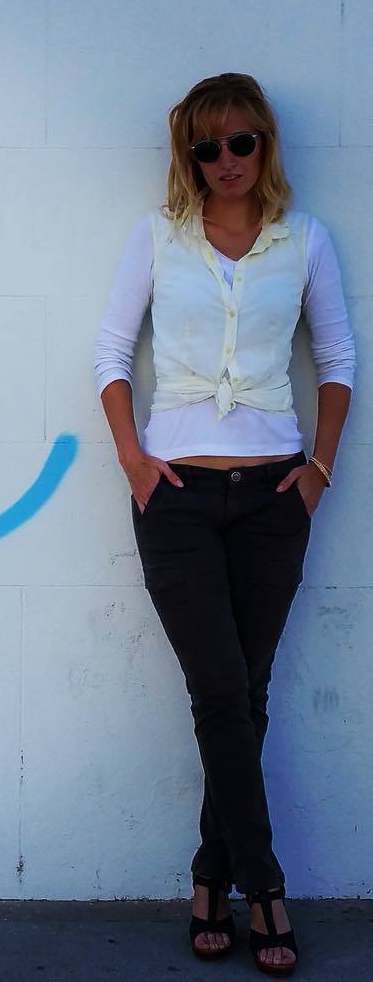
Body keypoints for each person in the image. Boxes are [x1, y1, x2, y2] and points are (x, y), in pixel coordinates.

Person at [93, 73, 355, 977]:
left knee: (246, 693)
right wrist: (135, 462)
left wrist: (319, 472)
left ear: (264, 144)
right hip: (177, 500)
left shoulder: (305, 240)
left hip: (276, 497)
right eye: (207, 147)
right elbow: (109, 353)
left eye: (241, 142)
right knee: (220, 692)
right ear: (190, 156)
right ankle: (266, 889)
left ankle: (210, 878)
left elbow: (337, 360)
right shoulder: (157, 237)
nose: (226, 160)